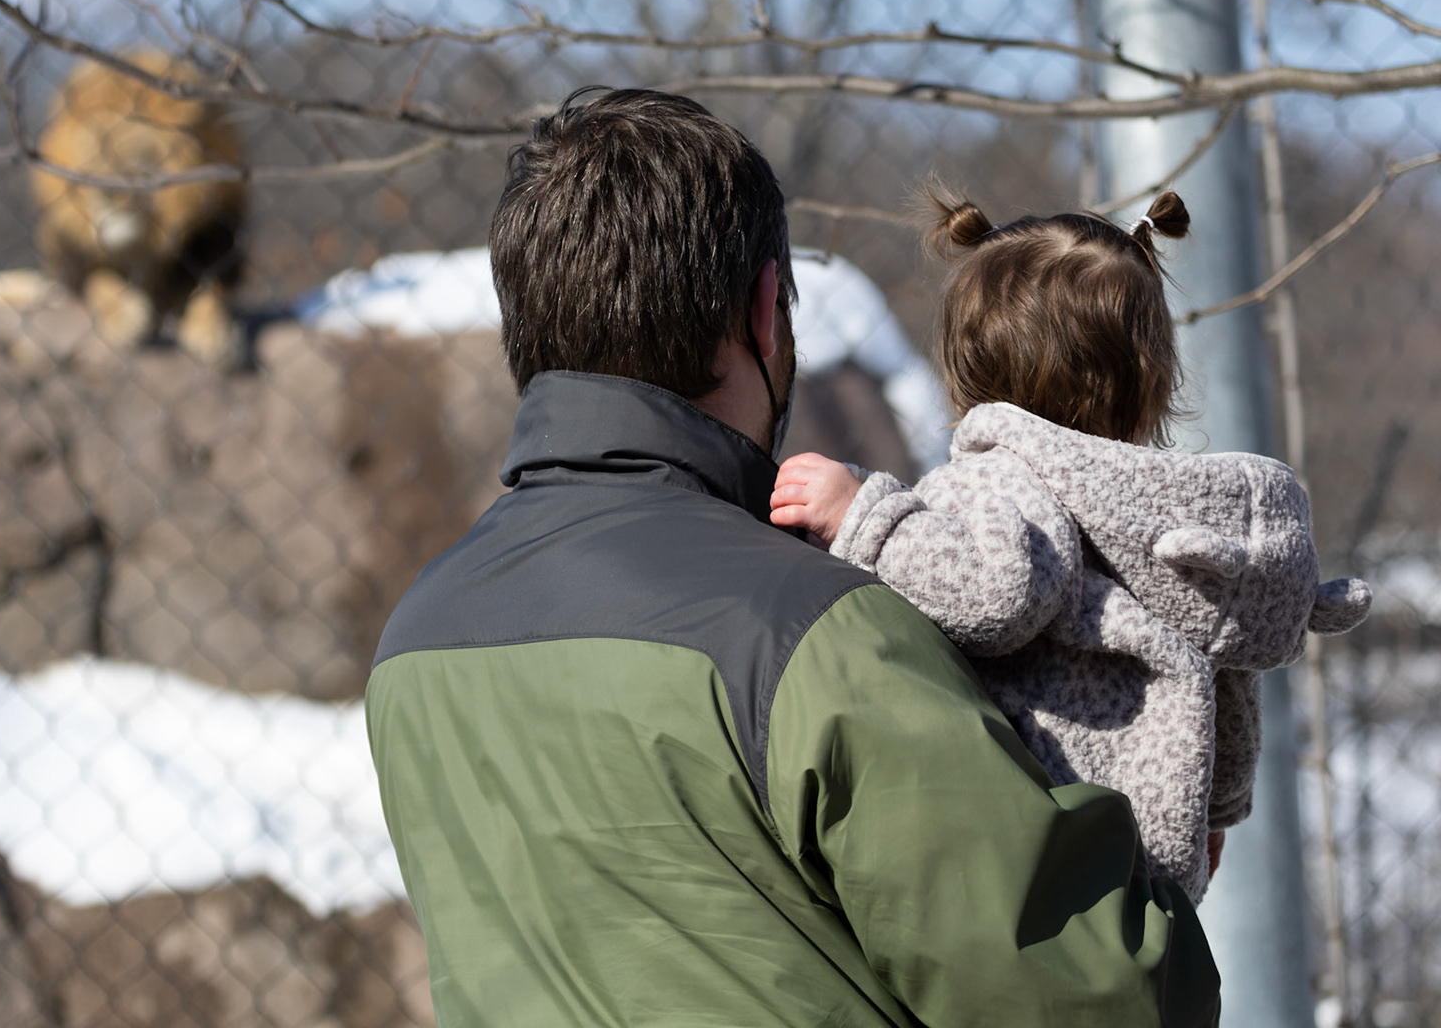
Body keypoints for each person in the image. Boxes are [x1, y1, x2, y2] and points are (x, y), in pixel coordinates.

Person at [366, 88, 1221, 1028]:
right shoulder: (816, 633)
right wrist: (1160, 915)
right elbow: (1100, 1002)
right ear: (766, 313)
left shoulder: (418, 640)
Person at [770, 188, 1371, 903]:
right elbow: (1231, 674)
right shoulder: (1186, 520)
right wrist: (1214, 808)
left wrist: (863, 516)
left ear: (967, 370)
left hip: (1019, 843)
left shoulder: (1000, 477)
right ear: (1152, 379)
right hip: (1147, 865)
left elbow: (993, 596)